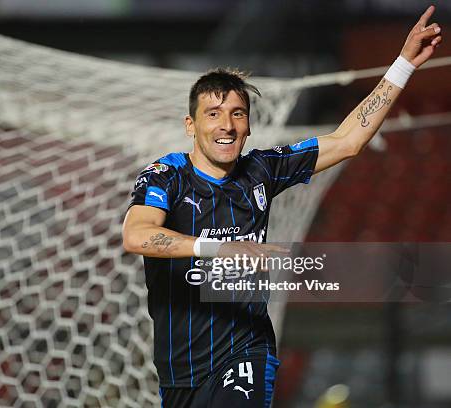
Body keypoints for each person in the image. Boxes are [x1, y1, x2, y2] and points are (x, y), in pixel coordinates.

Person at [122, 6, 442, 408]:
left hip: (246, 353)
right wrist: (219, 248)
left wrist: (402, 65)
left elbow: (347, 141)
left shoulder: (263, 168)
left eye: (237, 113)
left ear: (249, 124)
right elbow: (136, 235)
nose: (227, 125)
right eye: (213, 114)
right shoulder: (165, 175)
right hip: (179, 371)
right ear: (192, 126)